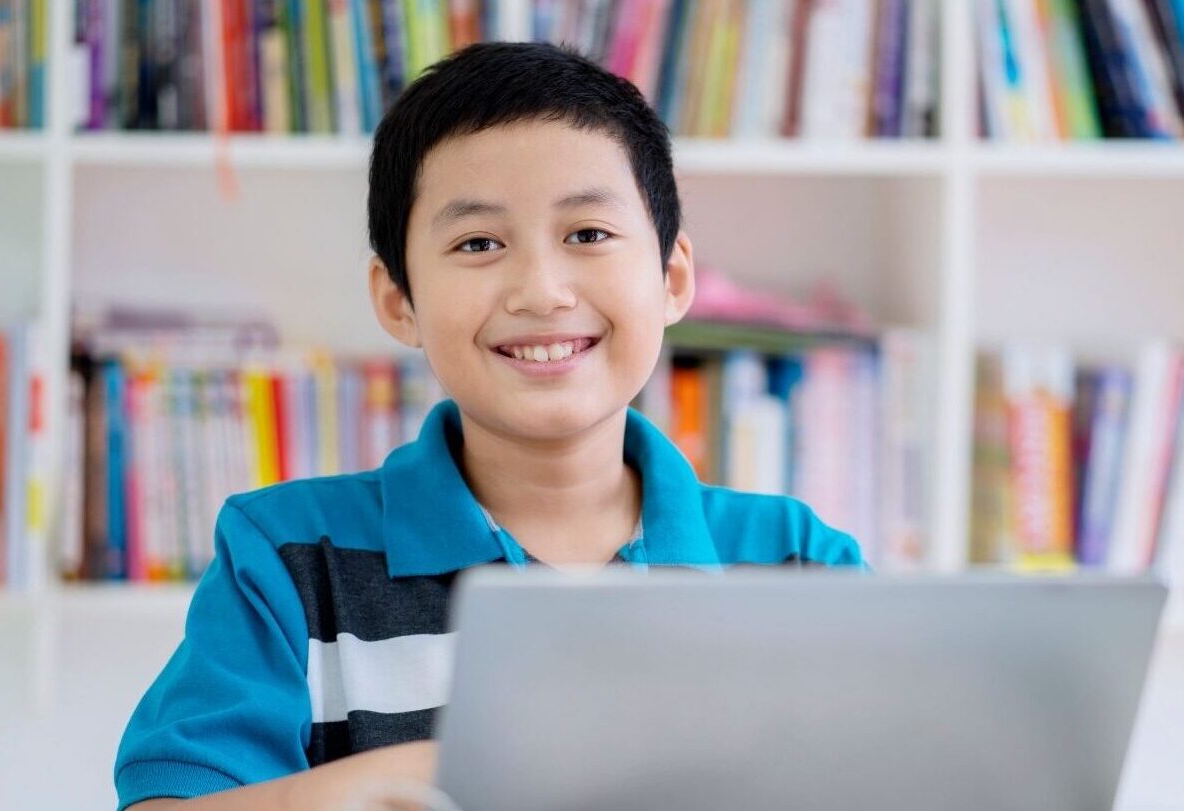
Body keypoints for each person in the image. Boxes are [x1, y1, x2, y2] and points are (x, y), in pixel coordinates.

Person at [115, 41, 862, 811]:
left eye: (587, 235)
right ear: (398, 299)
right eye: (478, 243)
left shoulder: (799, 566)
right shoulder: (287, 559)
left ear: (671, 278)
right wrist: (423, 772)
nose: (541, 291)